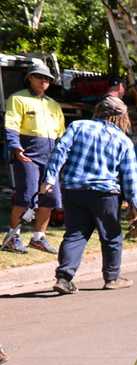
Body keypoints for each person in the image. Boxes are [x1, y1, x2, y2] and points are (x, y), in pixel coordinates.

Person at [41, 96, 137, 295]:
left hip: (73, 191)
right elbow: (131, 177)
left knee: (75, 234)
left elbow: (60, 150)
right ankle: (112, 278)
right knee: (111, 236)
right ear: (120, 117)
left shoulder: (78, 126)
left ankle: (64, 278)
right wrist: (135, 204)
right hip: (105, 195)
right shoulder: (123, 140)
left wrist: (50, 178)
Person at [3, 60, 65, 254]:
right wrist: (15, 146)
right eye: (39, 77)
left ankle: (39, 237)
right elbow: (11, 124)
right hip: (28, 153)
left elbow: (61, 132)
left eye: (47, 79)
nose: (43, 81)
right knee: (26, 195)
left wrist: (62, 153)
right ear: (29, 78)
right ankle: (13, 237)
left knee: (50, 197)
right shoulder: (18, 99)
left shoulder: (53, 104)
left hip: (51, 154)